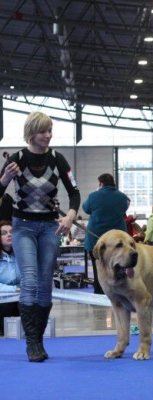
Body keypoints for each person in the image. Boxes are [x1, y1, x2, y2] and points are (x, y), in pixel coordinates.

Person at [0, 111, 80, 362]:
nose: (48, 135)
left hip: (49, 227)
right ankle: (32, 342)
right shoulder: (16, 159)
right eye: (43, 131)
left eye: (50, 130)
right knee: (31, 280)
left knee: (46, 282)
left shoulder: (58, 159)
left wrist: (69, 216)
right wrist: (5, 178)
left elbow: (74, 193)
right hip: (22, 226)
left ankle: (39, 339)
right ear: (31, 132)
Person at [82, 173, 129, 294]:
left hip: (95, 239)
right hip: (117, 240)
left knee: (98, 267)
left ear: (101, 184)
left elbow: (86, 208)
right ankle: (119, 292)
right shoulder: (122, 197)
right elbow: (124, 209)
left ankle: (99, 291)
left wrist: (96, 193)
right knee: (119, 266)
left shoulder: (93, 196)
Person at [0, 220, 19, 336]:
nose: (9, 235)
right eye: (4, 233)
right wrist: (14, 289)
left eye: (12, 232)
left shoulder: (23, 255)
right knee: (5, 305)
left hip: (19, 297)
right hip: (2, 300)